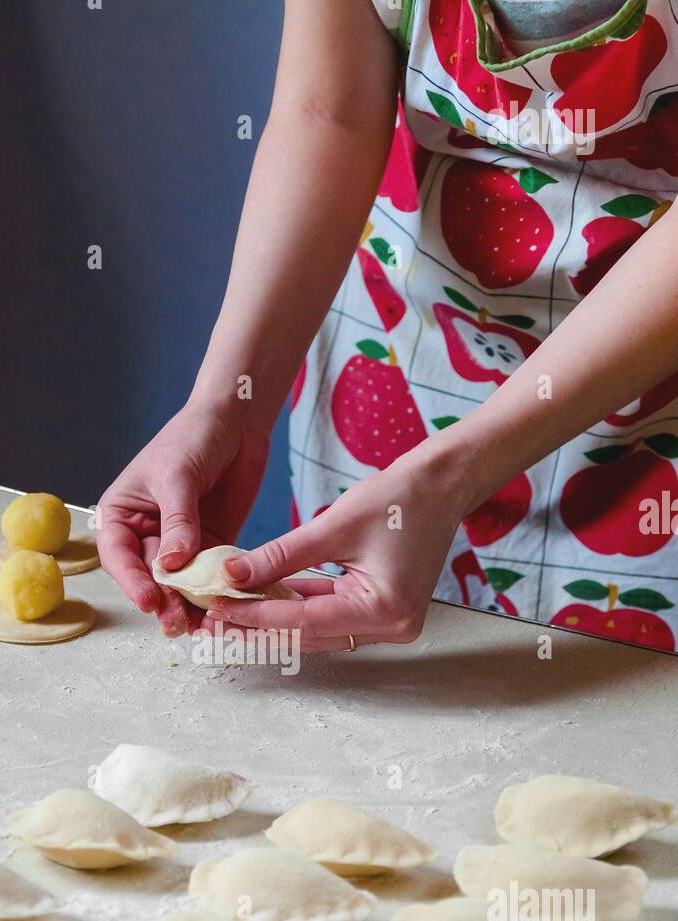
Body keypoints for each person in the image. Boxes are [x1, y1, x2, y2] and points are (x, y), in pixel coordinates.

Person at [97, 0, 678, 655]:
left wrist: (447, 478)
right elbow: (328, 113)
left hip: (652, 417)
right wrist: (228, 402)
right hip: (399, 365)